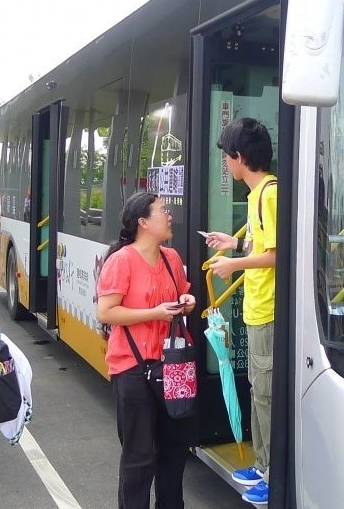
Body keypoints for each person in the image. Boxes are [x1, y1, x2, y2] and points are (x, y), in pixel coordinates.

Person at [96, 192, 196, 509]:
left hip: (172, 369)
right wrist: (154, 313)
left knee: (174, 452)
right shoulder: (121, 260)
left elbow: (181, 296)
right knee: (139, 457)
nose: (170, 216)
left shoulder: (171, 258)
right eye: (163, 211)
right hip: (133, 369)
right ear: (143, 222)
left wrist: (186, 302)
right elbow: (106, 313)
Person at [203, 117, 276, 506]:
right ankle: (263, 465)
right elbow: (260, 246)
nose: (226, 163)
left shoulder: (269, 194)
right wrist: (232, 244)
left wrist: (233, 265)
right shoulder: (256, 195)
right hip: (256, 308)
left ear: (240, 156)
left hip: (268, 310)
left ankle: (273, 474)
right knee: (257, 390)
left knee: (266, 395)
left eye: (226, 156)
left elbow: (279, 255)